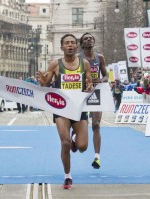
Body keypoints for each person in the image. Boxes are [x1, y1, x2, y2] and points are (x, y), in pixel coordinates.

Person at [36, 33, 93, 189]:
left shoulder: (85, 64)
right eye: (66, 43)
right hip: (61, 108)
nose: (69, 45)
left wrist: (89, 86)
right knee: (65, 142)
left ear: (77, 46)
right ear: (61, 47)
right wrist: (42, 82)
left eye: (72, 43)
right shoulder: (55, 64)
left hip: (79, 108)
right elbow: (45, 85)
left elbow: (89, 83)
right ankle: (67, 176)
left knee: (82, 147)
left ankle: (76, 140)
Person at [79, 32, 108, 169]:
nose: (89, 40)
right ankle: (75, 140)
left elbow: (106, 76)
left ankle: (97, 157)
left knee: (96, 124)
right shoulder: (77, 58)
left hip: (96, 92)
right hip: (81, 94)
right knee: (79, 124)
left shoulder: (99, 57)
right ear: (82, 44)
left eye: (91, 38)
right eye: (86, 39)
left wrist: (101, 80)